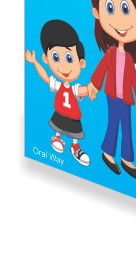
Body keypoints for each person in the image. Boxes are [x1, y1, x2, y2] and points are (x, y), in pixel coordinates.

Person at [87, 0, 136, 179]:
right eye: (110, 9)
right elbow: (100, 71)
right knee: (113, 124)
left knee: (127, 127)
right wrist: (93, 85)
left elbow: (134, 81)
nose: (121, 20)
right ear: (97, 13)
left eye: (125, 8)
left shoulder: (129, 58)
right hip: (112, 96)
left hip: (128, 99)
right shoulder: (111, 54)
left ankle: (127, 159)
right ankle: (108, 153)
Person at [25, 19, 92, 165]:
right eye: (55, 57)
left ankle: (75, 148)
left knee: (75, 134)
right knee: (58, 127)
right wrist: (34, 62)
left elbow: (82, 90)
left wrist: (91, 88)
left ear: (81, 63)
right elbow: (45, 77)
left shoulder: (73, 88)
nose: (63, 66)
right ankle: (57, 138)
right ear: (46, 59)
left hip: (73, 116)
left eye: (69, 58)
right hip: (60, 113)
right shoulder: (58, 84)